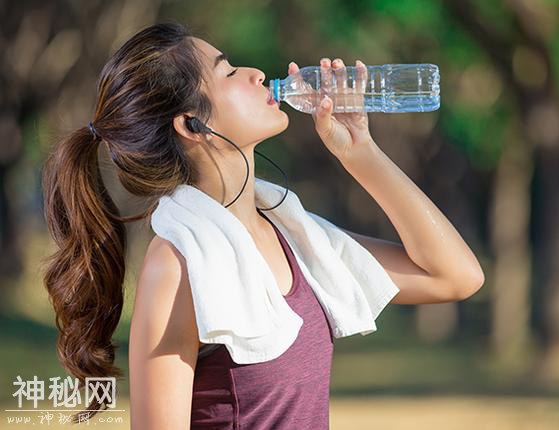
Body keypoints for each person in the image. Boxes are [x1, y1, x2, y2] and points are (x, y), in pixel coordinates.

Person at [41, 22, 485, 429]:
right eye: (228, 72)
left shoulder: (294, 236)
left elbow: (455, 276)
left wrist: (360, 151)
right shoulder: (177, 264)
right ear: (192, 125)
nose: (256, 73)